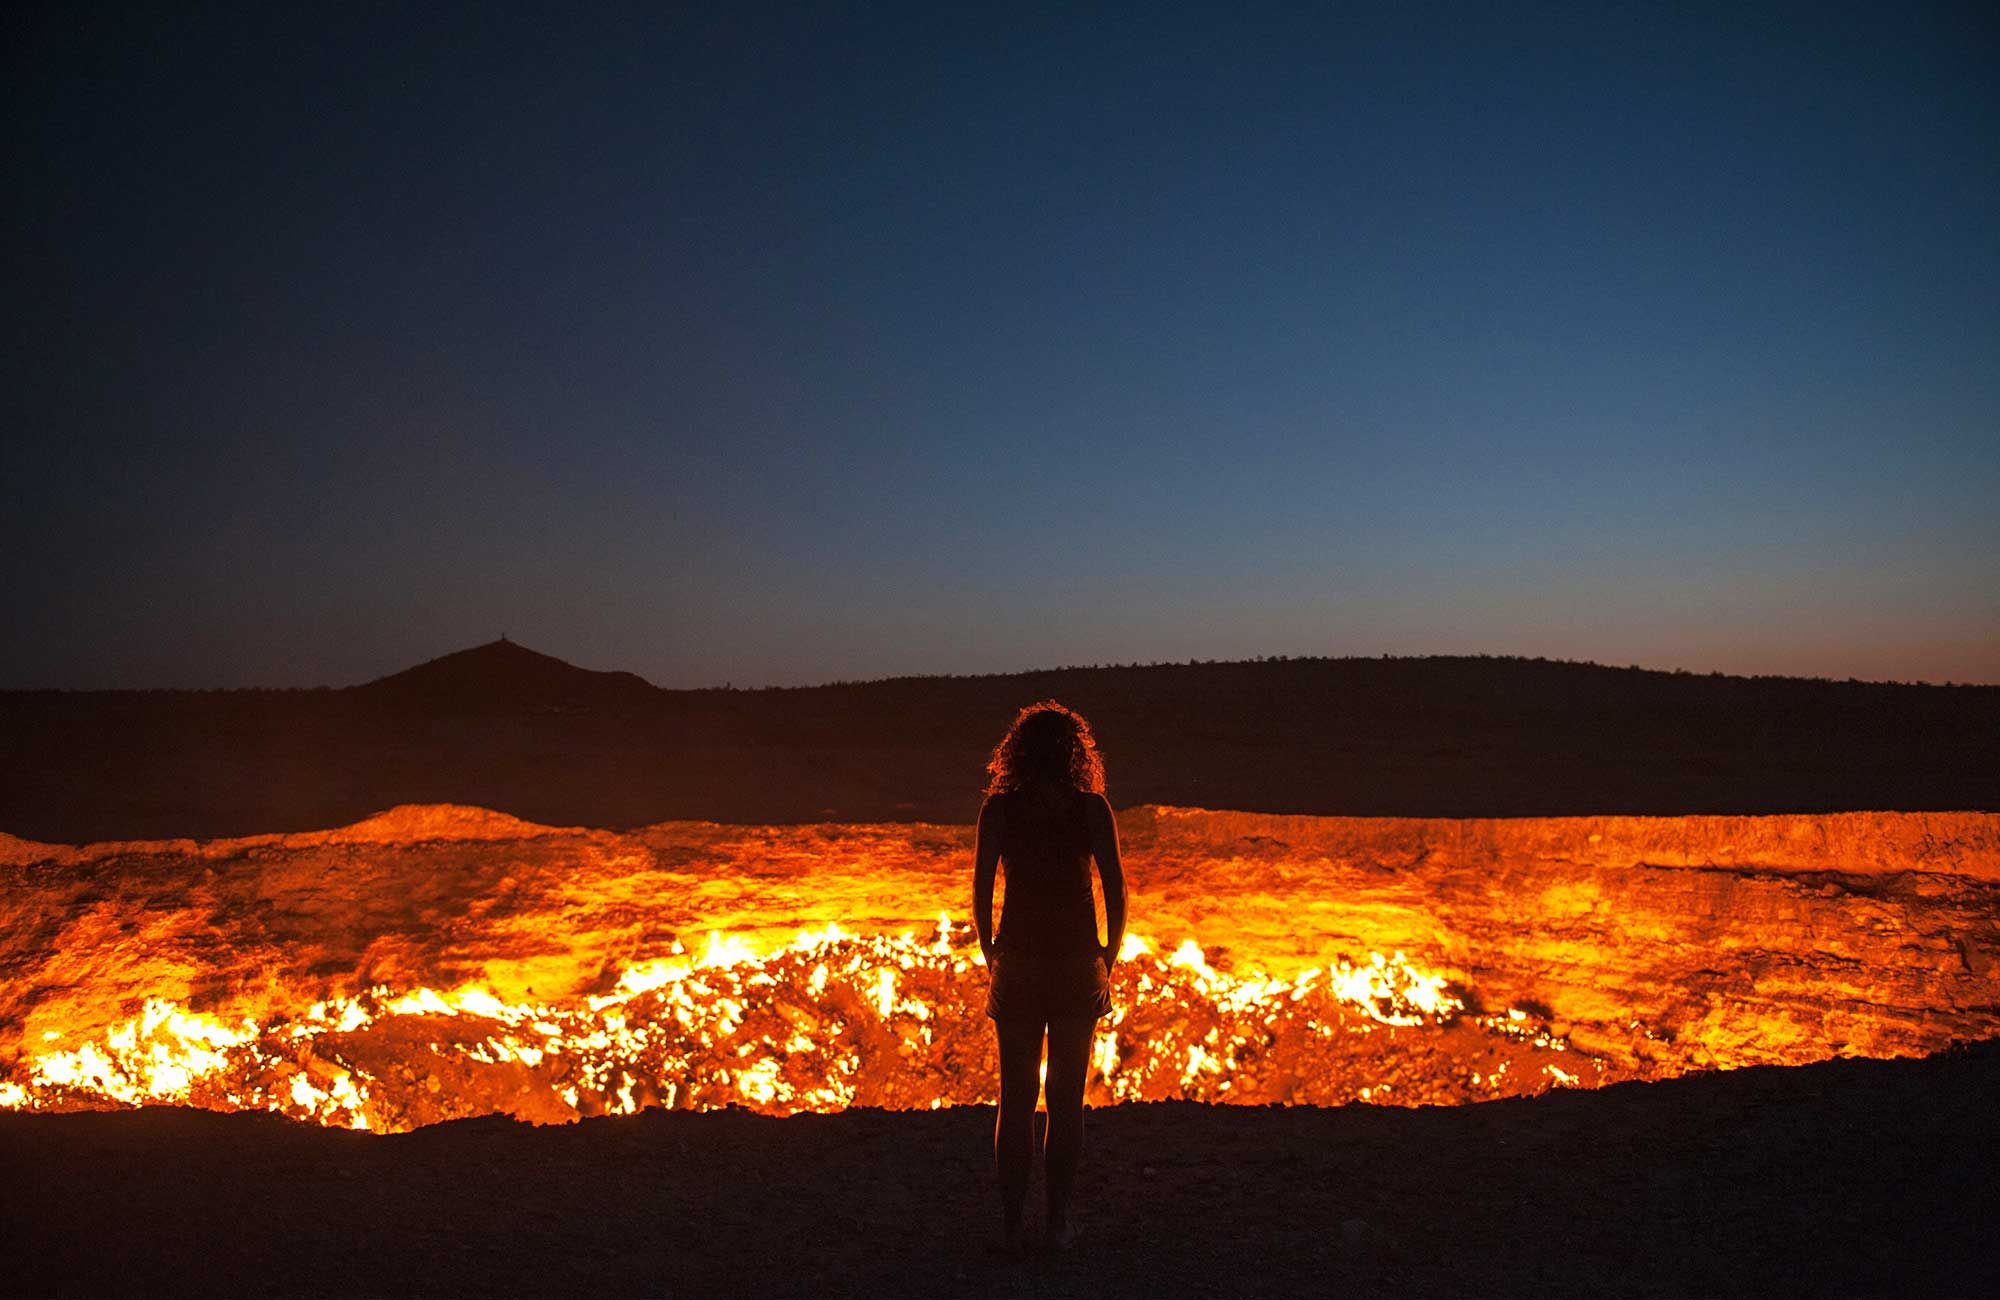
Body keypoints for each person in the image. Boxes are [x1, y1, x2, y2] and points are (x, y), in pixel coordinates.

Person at [971, 700, 1127, 1253]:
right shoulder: (1092, 809)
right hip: (1075, 962)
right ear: (1075, 753)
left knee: (1014, 1099)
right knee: (1066, 1098)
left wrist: (994, 953)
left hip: (1018, 961)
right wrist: (1106, 956)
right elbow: (1115, 889)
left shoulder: (999, 810)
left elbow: (981, 893)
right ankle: (1058, 1224)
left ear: (1016, 753)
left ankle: (1012, 1228)